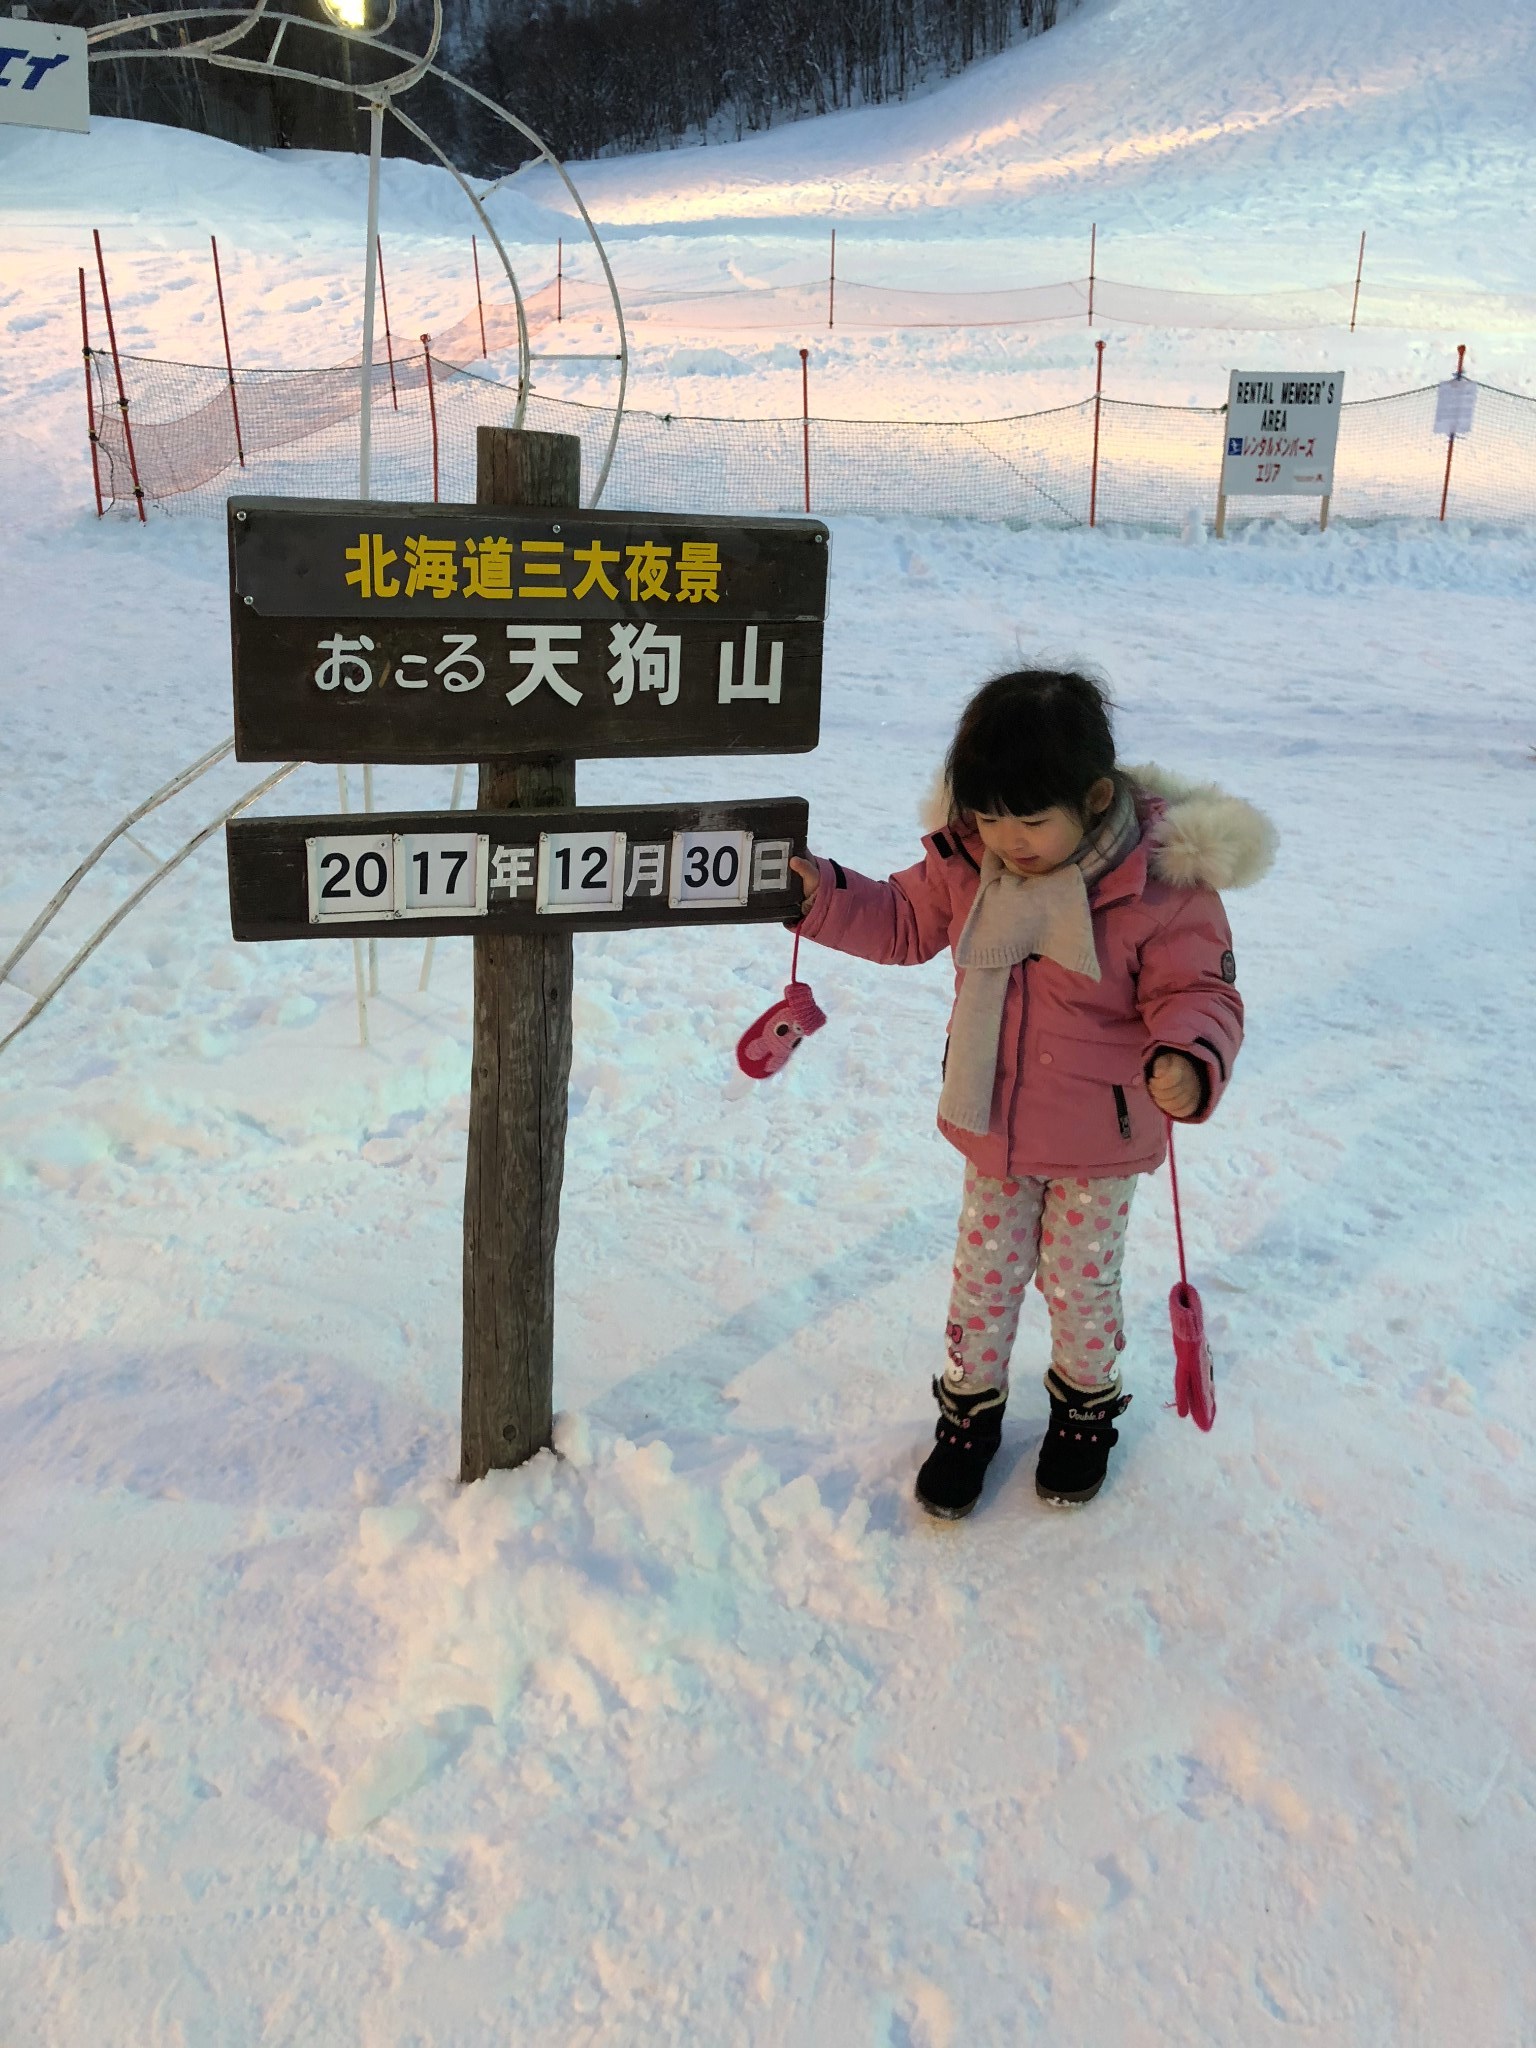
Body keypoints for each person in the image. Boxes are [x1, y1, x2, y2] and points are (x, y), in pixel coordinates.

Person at [788, 668, 1274, 1516]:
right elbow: (901, 920)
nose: (1007, 838)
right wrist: (822, 897)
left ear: (1091, 798)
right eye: (987, 815)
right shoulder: (968, 861)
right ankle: (968, 1417)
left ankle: (1085, 1413)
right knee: (983, 1277)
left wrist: (1189, 1057)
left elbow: (1202, 993)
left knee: (1079, 1283)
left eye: (1030, 819)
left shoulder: (1159, 887)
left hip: (1098, 1138)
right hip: (995, 1122)